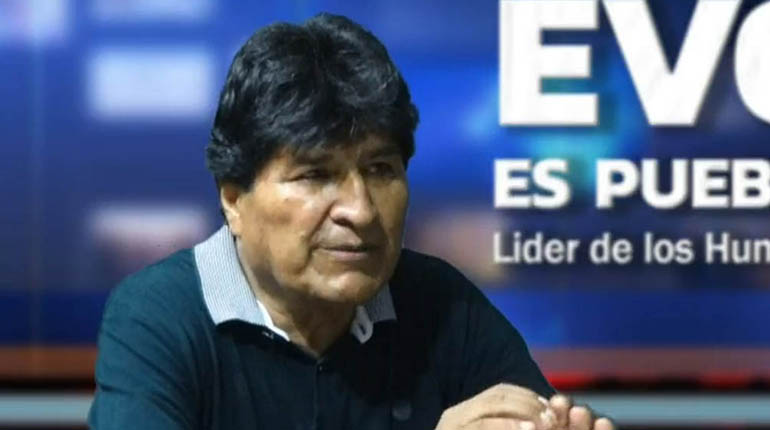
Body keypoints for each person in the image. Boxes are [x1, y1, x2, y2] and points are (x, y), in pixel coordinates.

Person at [88, 13, 614, 430]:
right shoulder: (159, 316)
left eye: (381, 170)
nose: (361, 210)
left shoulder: (443, 305)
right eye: (315, 175)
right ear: (233, 200)